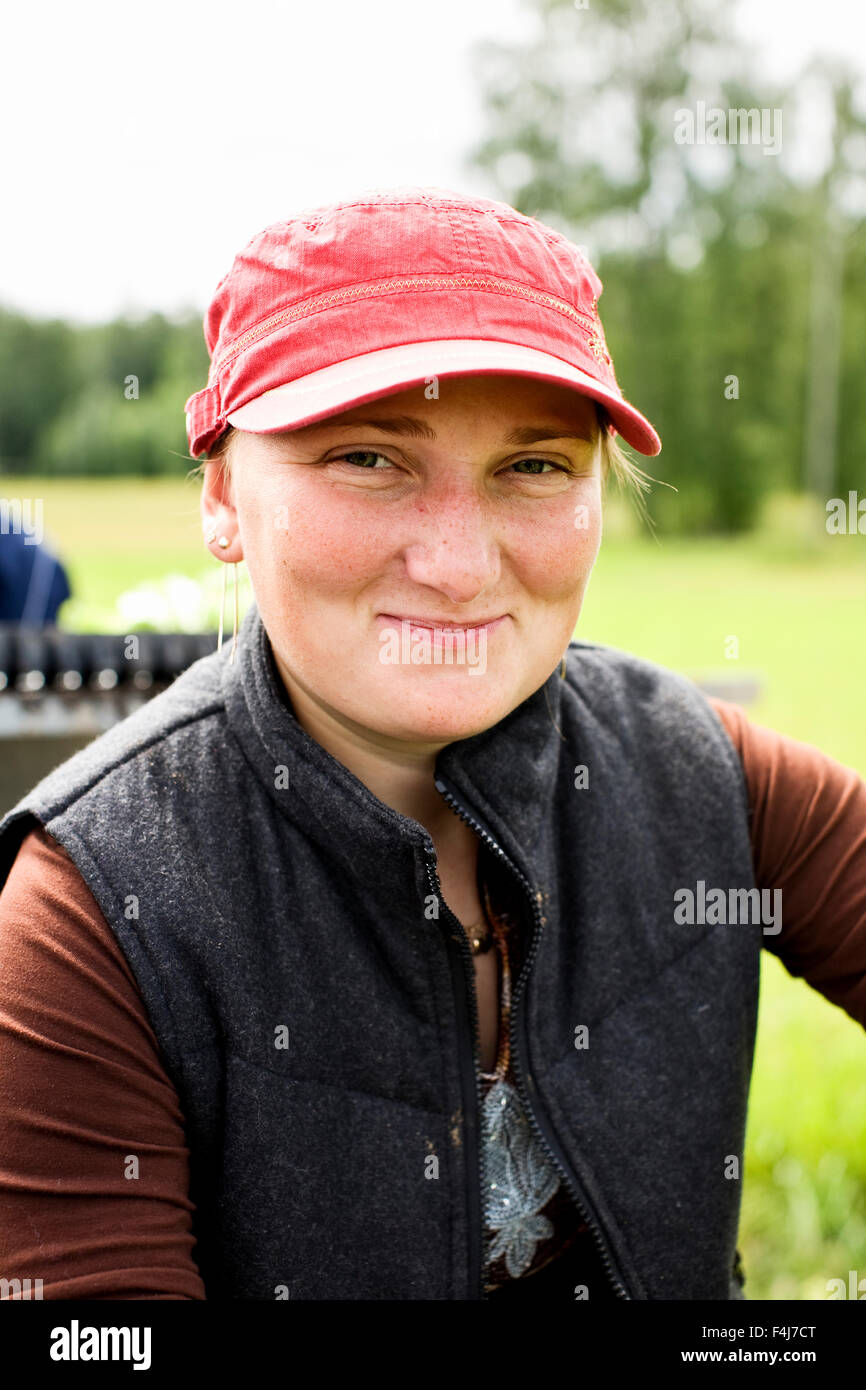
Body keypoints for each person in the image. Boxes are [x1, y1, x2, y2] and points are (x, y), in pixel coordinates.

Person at [0, 186, 864, 1302]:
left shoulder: (703, 777)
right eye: (366, 457)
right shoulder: (90, 919)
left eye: (534, 465)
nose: (458, 564)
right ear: (221, 492)